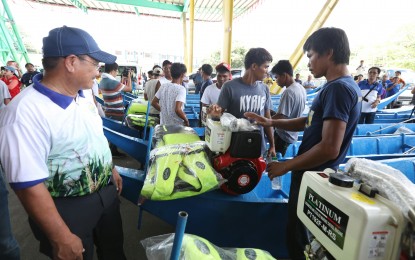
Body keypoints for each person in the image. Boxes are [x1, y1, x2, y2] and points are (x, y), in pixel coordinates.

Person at [0, 25, 126, 260]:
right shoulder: (24, 113)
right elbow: (27, 184)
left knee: (114, 251)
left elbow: (93, 139)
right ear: (71, 62)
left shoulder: (81, 96)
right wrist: (60, 236)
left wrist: (111, 168)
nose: (98, 71)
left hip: (105, 194)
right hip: (67, 210)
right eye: (95, 64)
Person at [245, 27, 361, 259]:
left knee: (299, 237)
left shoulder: (338, 89)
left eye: (310, 55)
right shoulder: (338, 86)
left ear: (328, 53)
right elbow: (308, 123)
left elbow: (329, 147)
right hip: (314, 174)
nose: (308, 63)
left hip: (314, 176)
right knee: (300, 232)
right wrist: (270, 121)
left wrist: (286, 166)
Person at [208, 47, 276, 157]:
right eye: (266, 67)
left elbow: (268, 120)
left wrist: (272, 145)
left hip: (258, 148)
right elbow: (219, 116)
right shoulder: (229, 87)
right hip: (235, 148)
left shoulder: (264, 89)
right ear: (254, 66)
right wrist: (214, 114)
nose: (267, 72)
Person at [271, 60, 307, 156]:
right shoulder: (301, 88)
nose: (276, 81)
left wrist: (264, 121)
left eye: (276, 77)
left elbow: (282, 117)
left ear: (284, 75)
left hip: (283, 136)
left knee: (274, 160)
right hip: (292, 135)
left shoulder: (288, 92)